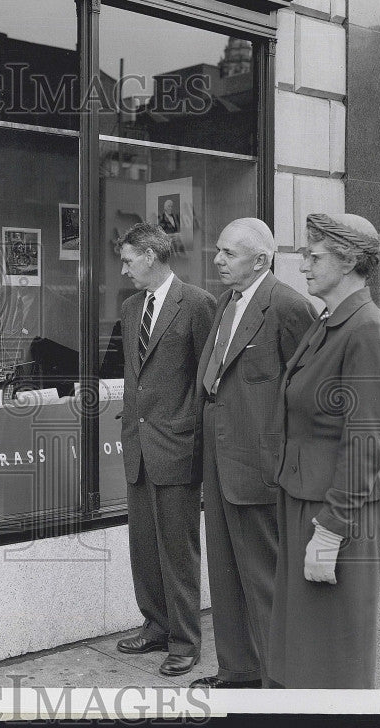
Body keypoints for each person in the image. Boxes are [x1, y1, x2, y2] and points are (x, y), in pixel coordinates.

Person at [267, 213, 380, 689]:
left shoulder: (366, 330)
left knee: (331, 657)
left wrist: (330, 531)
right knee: (300, 647)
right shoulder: (331, 322)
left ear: (348, 262)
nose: (304, 264)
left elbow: (366, 440)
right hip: (305, 498)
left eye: (314, 255)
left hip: (333, 511)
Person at [189, 218, 316, 689]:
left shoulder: (288, 306)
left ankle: (277, 681)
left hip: (258, 470)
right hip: (219, 463)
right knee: (224, 573)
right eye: (218, 251)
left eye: (228, 253)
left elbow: (306, 396)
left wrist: (287, 464)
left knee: (265, 579)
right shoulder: (228, 301)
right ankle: (238, 669)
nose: (217, 260)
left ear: (261, 260)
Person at [115, 223, 215, 676]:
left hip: (176, 448)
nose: (124, 268)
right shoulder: (131, 307)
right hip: (138, 447)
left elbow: (207, 379)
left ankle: (185, 641)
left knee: (178, 550)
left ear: (151, 257)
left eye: (128, 259)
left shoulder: (197, 304)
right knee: (144, 547)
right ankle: (155, 625)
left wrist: (190, 434)